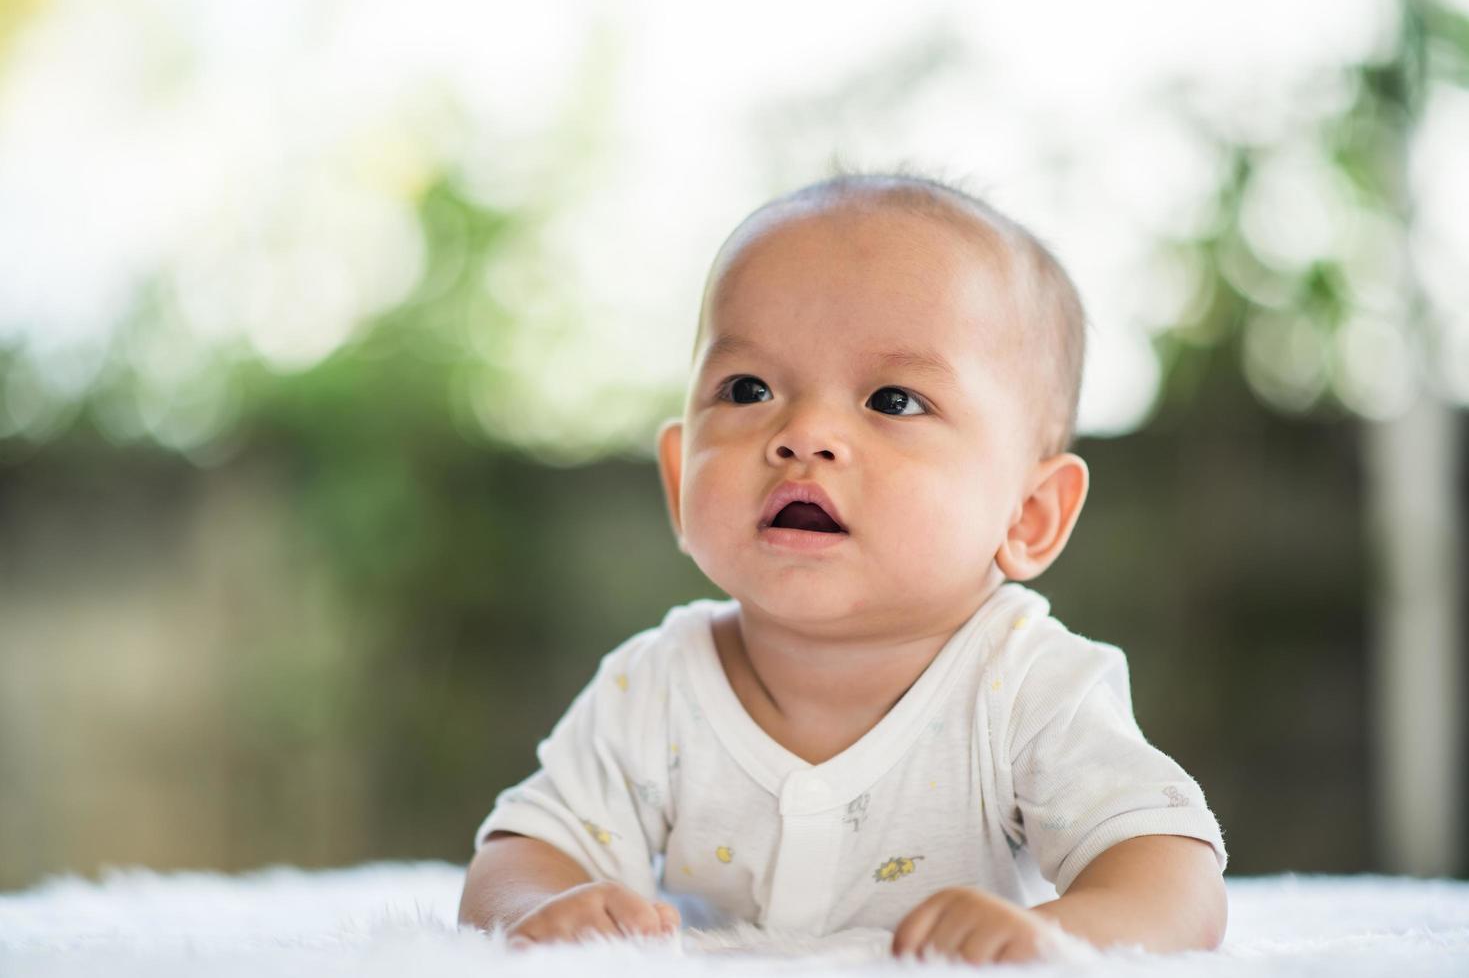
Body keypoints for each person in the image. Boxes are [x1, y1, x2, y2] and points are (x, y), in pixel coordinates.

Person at [457, 171, 1229, 964]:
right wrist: (540, 911)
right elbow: (526, 849)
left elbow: (1170, 875)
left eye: (892, 399)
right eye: (748, 388)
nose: (804, 433)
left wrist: (1056, 937)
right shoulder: (655, 690)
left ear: (1027, 515)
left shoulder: (1026, 688)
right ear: (679, 477)